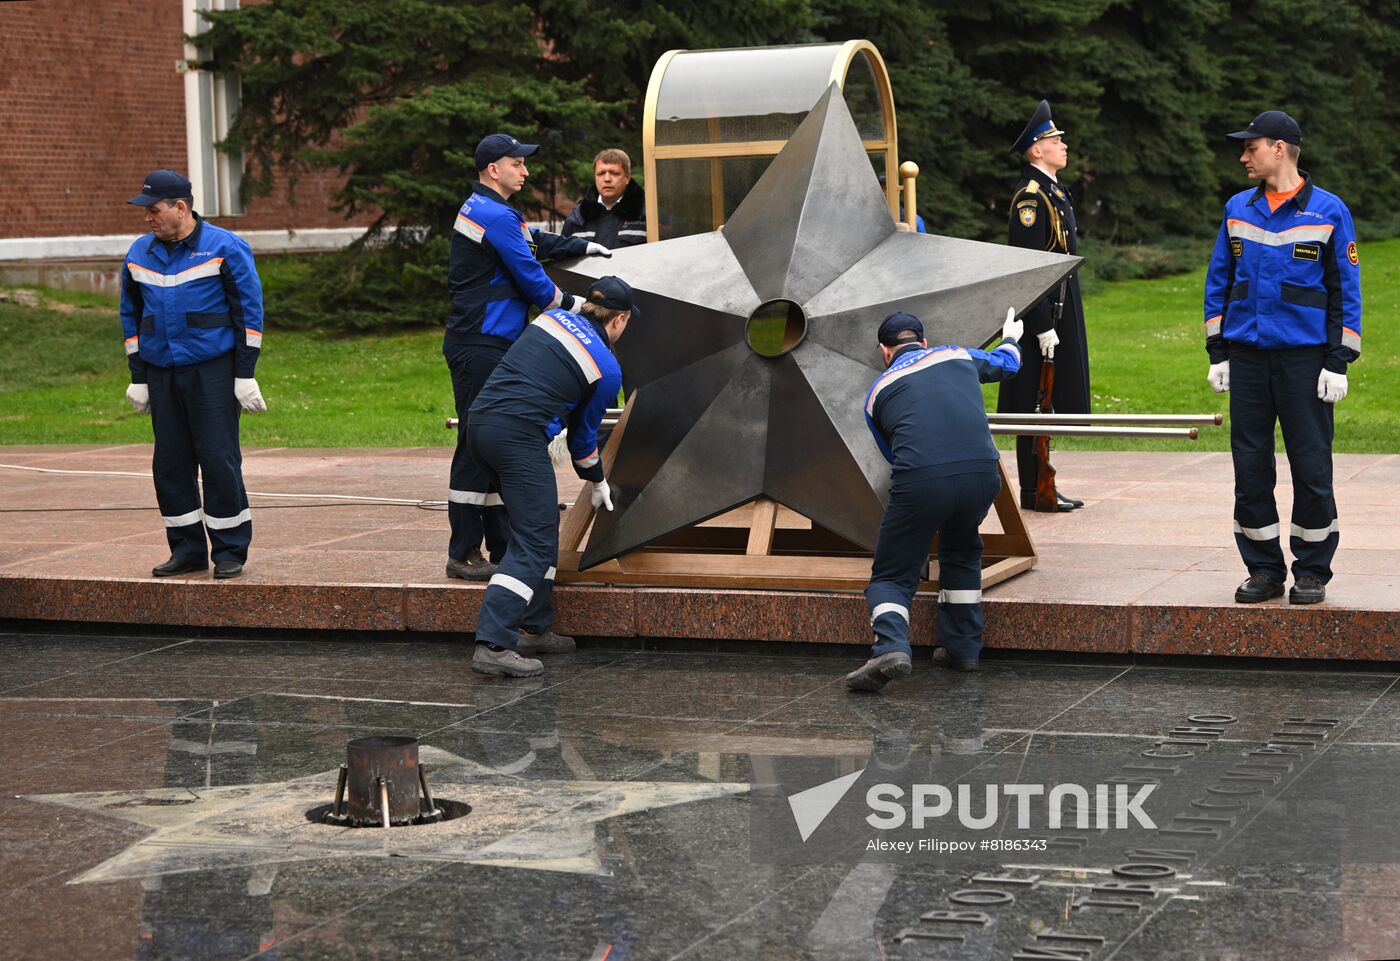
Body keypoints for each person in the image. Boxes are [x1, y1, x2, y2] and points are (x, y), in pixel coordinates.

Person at [1204, 111, 1361, 606]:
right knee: (1250, 467)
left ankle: (1311, 570)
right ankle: (1264, 570)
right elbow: (1219, 284)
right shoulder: (1237, 208)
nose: (1243, 155)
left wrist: (1338, 359)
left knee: (1311, 466)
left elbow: (1346, 292)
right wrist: (1218, 351)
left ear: (1279, 148)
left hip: (1305, 362)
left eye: (1251, 146)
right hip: (1248, 360)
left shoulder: (1328, 211)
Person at [445, 133, 611, 582]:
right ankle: (462, 552)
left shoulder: (486, 210)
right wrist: (584, 308)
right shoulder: (494, 215)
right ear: (493, 170)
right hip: (482, 343)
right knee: (475, 443)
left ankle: (498, 546)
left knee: (492, 444)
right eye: (517, 164)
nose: (526, 170)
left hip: (485, 341)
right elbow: (533, 280)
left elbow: (530, 240)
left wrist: (579, 246)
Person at [845, 308, 1024, 692]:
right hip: (982, 476)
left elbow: (894, 456)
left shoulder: (877, 394)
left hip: (923, 483)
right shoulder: (956, 354)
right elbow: (1007, 365)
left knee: (892, 574)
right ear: (923, 342)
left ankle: (890, 648)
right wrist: (1010, 338)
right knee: (961, 551)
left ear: (884, 350)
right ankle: (963, 649)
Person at [466, 276, 636, 677]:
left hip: (481, 426)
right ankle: (493, 642)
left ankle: (534, 626)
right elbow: (582, 444)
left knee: (535, 529)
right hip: (517, 440)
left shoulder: (552, 318)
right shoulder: (606, 368)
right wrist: (597, 482)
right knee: (536, 539)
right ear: (621, 319)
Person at [119, 169, 265, 580]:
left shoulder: (225, 247)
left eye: (154, 209)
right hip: (163, 373)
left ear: (180, 207)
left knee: (218, 459)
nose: (147, 218)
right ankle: (186, 550)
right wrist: (139, 376)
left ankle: (230, 550)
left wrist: (244, 373)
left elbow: (248, 314)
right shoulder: (138, 254)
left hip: (212, 373)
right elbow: (131, 318)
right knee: (170, 464)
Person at [997, 100, 1089, 513]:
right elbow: (1025, 270)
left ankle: (1042, 485)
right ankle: (1035, 490)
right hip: (1043, 316)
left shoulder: (1053, 191)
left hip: (1059, 308)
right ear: (1037, 149)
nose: (1062, 144)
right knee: (1034, 402)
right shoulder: (1031, 199)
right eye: (1055, 139)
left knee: (1045, 401)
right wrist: (1038, 325)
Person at [561, 148, 647, 250]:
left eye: (614, 173)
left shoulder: (647, 214)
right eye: (601, 173)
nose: (607, 179)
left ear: (627, 178)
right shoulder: (578, 218)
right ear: (595, 177)